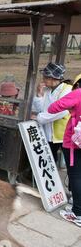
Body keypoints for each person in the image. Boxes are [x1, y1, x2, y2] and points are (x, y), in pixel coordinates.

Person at [48, 72, 81, 227]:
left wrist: (72, 109)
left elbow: (53, 107)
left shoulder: (78, 94)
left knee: (75, 176)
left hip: (75, 143)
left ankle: (77, 213)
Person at [32, 63, 72, 164]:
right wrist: (39, 94)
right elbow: (42, 109)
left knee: (70, 162)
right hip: (48, 132)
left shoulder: (67, 89)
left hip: (63, 133)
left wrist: (39, 117)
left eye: (45, 77)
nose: (43, 80)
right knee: (49, 159)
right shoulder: (47, 90)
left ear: (52, 78)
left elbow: (62, 111)